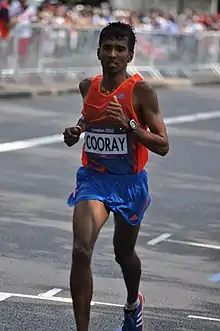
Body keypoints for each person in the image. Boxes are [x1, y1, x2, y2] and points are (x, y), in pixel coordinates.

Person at [63, 21, 169, 331]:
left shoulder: (141, 92)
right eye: (107, 48)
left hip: (129, 185)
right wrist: (78, 131)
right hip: (93, 180)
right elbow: (90, 116)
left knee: (124, 255)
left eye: (120, 49)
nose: (113, 54)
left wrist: (131, 126)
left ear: (130, 55)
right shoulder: (88, 86)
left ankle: (133, 303)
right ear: (97, 52)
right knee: (81, 251)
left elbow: (163, 145)